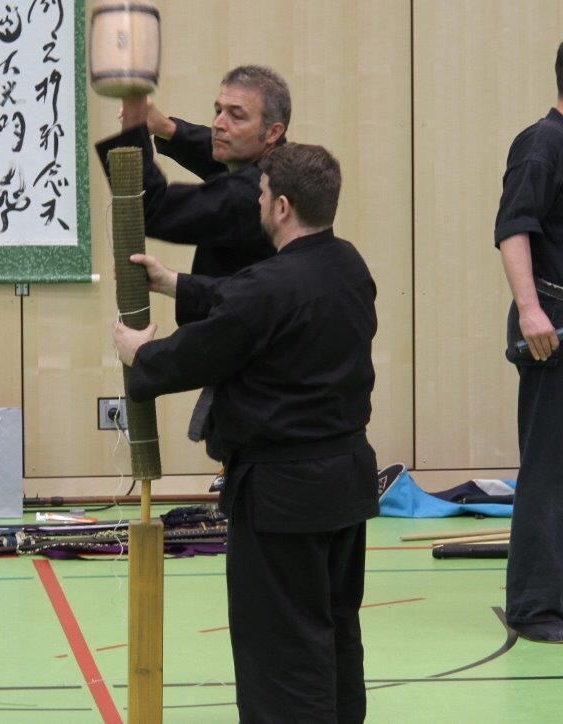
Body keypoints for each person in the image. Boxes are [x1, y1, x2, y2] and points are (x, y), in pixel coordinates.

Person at [113, 143, 379, 722]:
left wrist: (142, 354)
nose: (256, 202)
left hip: (283, 496)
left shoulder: (268, 288)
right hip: (345, 484)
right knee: (334, 632)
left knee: (283, 652)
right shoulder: (348, 265)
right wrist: (173, 283)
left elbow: (204, 347)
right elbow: (253, 300)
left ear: (281, 207)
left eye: (260, 195)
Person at [95, 64, 291, 324]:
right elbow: (222, 159)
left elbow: (153, 209)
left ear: (273, 132)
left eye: (236, 116)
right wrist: (167, 128)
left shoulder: (249, 195)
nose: (218, 124)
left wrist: (134, 127)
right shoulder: (284, 163)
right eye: (218, 111)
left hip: (241, 345)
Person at [495, 41, 563, 644]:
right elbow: (513, 228)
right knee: (548, 467)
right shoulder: (541, 144)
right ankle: (536, 607)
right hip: (552, 328)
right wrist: (531, 309)